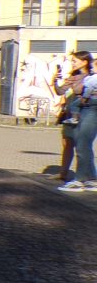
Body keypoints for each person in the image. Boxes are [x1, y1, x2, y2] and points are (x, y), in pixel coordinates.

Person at [59, 51, 97, 192]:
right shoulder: (89, 77)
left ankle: (80, 180)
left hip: (92, 108)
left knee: (82, 144)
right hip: (86, 108)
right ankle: (91, 179)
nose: (92, 68)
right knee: (83, 144)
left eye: (94, 66)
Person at [54, 52, 90, 184]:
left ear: (84, 62)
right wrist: (55, 81)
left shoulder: (91, 77)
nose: (72, 63)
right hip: (68, 114)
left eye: (75, 61)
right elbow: (60, 91)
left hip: (83, 115)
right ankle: (63, 173)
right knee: (67, 143)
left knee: (82, 146)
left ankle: (84, 176)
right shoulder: (73, 77)